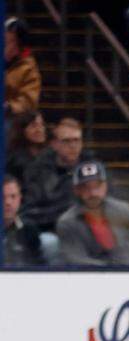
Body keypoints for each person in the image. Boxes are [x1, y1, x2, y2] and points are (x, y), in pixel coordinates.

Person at [56, 161, 129, 267]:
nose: (93, 193)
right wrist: (110, 269)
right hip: (91, 277)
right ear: (76, 190)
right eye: (86, 187)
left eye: (97, 186)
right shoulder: (67, 222)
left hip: (128, 272)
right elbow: (75, 258)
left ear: (105, 186)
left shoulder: (124, 210)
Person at [20, 117, 93, 245]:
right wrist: (68, 211)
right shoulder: (37, 170)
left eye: (77, 140)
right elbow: (29, 212)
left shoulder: (92, 166)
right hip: (52, 231)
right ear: (54, 144)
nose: (73, 146)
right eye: (66, 141)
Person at [3, 174, 44, 266]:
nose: (8, 202)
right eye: (2, 197)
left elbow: (39, 266)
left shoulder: (29, 229)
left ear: (20, 198)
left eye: (13, 196)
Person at [4, 17, 40, 115]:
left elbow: (28, 101)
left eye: (12, 41)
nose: (8, 46)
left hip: (10, 121)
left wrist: (9, 108)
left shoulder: (28, 68)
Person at [5, 109, 48, 183]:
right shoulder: (15, 161)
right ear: (22, 130)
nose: (39, 129)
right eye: (34, 125)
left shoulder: (48, 154)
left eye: (42, 124)